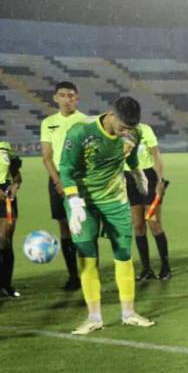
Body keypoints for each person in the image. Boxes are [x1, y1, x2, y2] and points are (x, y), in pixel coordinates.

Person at [58, 96, 155, 334]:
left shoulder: (134, 132)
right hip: (83, 202)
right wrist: (74, 201)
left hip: (115, 200)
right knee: (87, 257)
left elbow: (131, 155)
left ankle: (128, 313)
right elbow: (66, 169)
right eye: (123, 127)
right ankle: (94, 318)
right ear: (111, 115)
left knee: (123, 255)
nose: (126, 133)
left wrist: (137, 172)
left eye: (130, 129)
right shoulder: (81, 132)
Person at [40, 81, 89, 290]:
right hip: (58, 178)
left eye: (71, 95)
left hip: (80, 178)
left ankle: (88, 274)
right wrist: (58, 181)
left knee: (84, 226)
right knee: (65, 227)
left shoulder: (86, 121)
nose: (67, 99)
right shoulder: (48, 123)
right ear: (55, 98)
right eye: (63, 95)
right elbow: (46, 157)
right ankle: (73, 277)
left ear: (77, 98)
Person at [125, 121, 171, 280]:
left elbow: (156, 155)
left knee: (154, 223)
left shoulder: (145, 129)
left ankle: (165, 268)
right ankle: (146, 269)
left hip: (147, 178)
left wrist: (160, 180)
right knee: (138, 226)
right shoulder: (119, 131)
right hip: (128, 178)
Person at [0, 139, 23, 297]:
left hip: (6, 194)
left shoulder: (5, 146)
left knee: (6, 240)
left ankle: (6, 285)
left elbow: (16, 174)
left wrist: (15, 186)